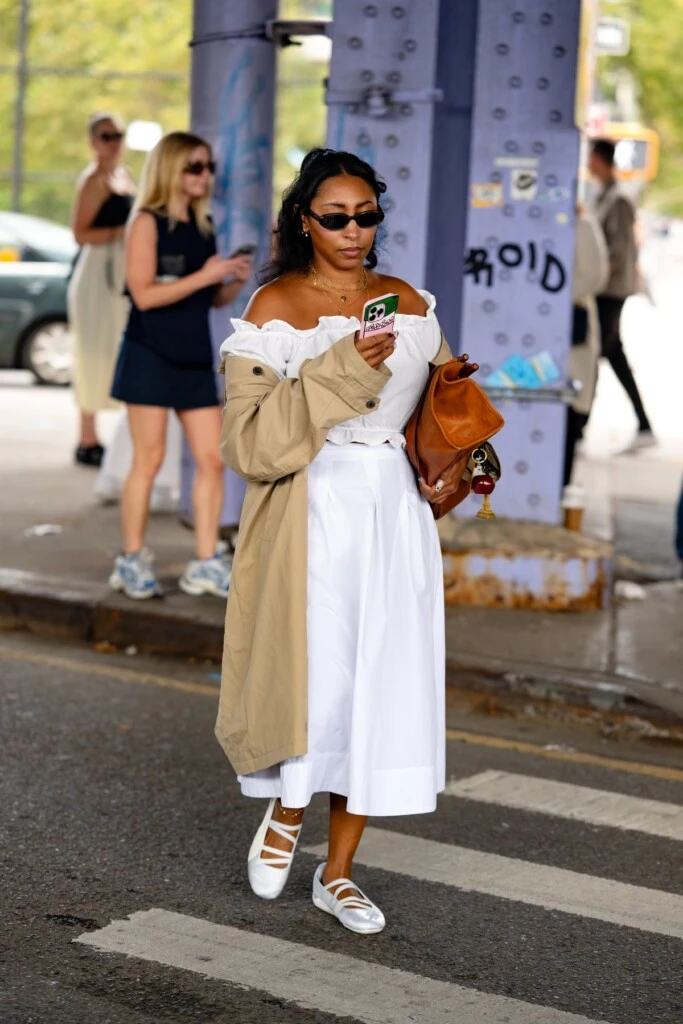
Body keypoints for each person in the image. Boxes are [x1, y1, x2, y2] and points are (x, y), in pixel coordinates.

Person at [216, 149, 460, 935]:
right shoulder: (273, 308)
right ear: (302, 221)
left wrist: (457, 468)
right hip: (309, 512)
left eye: (366, 216)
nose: (353, 232)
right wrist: (341, 368)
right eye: (335, 218)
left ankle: (340, 871)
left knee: (381, 688)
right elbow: (250, 447)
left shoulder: (410, 302)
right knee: (318, 678)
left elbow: (445, 406)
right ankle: (288, 812)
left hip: (393, 511)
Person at [108, 131, 252, 600]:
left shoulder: (202, 224)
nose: (205, 176)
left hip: (192, 356)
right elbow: (145, 295)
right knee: (147, 460)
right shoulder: (146, 223)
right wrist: (206, 274)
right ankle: (130, 560)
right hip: (149, 353)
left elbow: (208, 298)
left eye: (208, 167)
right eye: (194, 166)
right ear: (170, 168)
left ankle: (205, 562)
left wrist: (229, 279)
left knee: (212, 459)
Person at [68, 112, 135, 467]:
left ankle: (117, 433)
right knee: (92, 350)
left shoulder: (123, 176)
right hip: (97, 274)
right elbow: (79, 234)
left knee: (115, 349)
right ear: (94, 142)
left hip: (121, 273)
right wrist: (120, 233)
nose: (114, 142)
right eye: (106, 136)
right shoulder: (92, 180)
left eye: (118, 135)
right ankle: (86, 437)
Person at [588, 139, 655, 453]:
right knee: (612, 354)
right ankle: (643, 425)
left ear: (599, 159)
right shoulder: (604, 196)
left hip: (610, 291)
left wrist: (591, 280)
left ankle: (580, 424)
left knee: (597, 353)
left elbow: (616, 253)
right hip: (604, 289)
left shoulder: (618, 200)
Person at [563, 205, 609, 487]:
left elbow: (594, 275)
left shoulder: (582, 221)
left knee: (570, 409)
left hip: (572, 332)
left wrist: (554, 299)